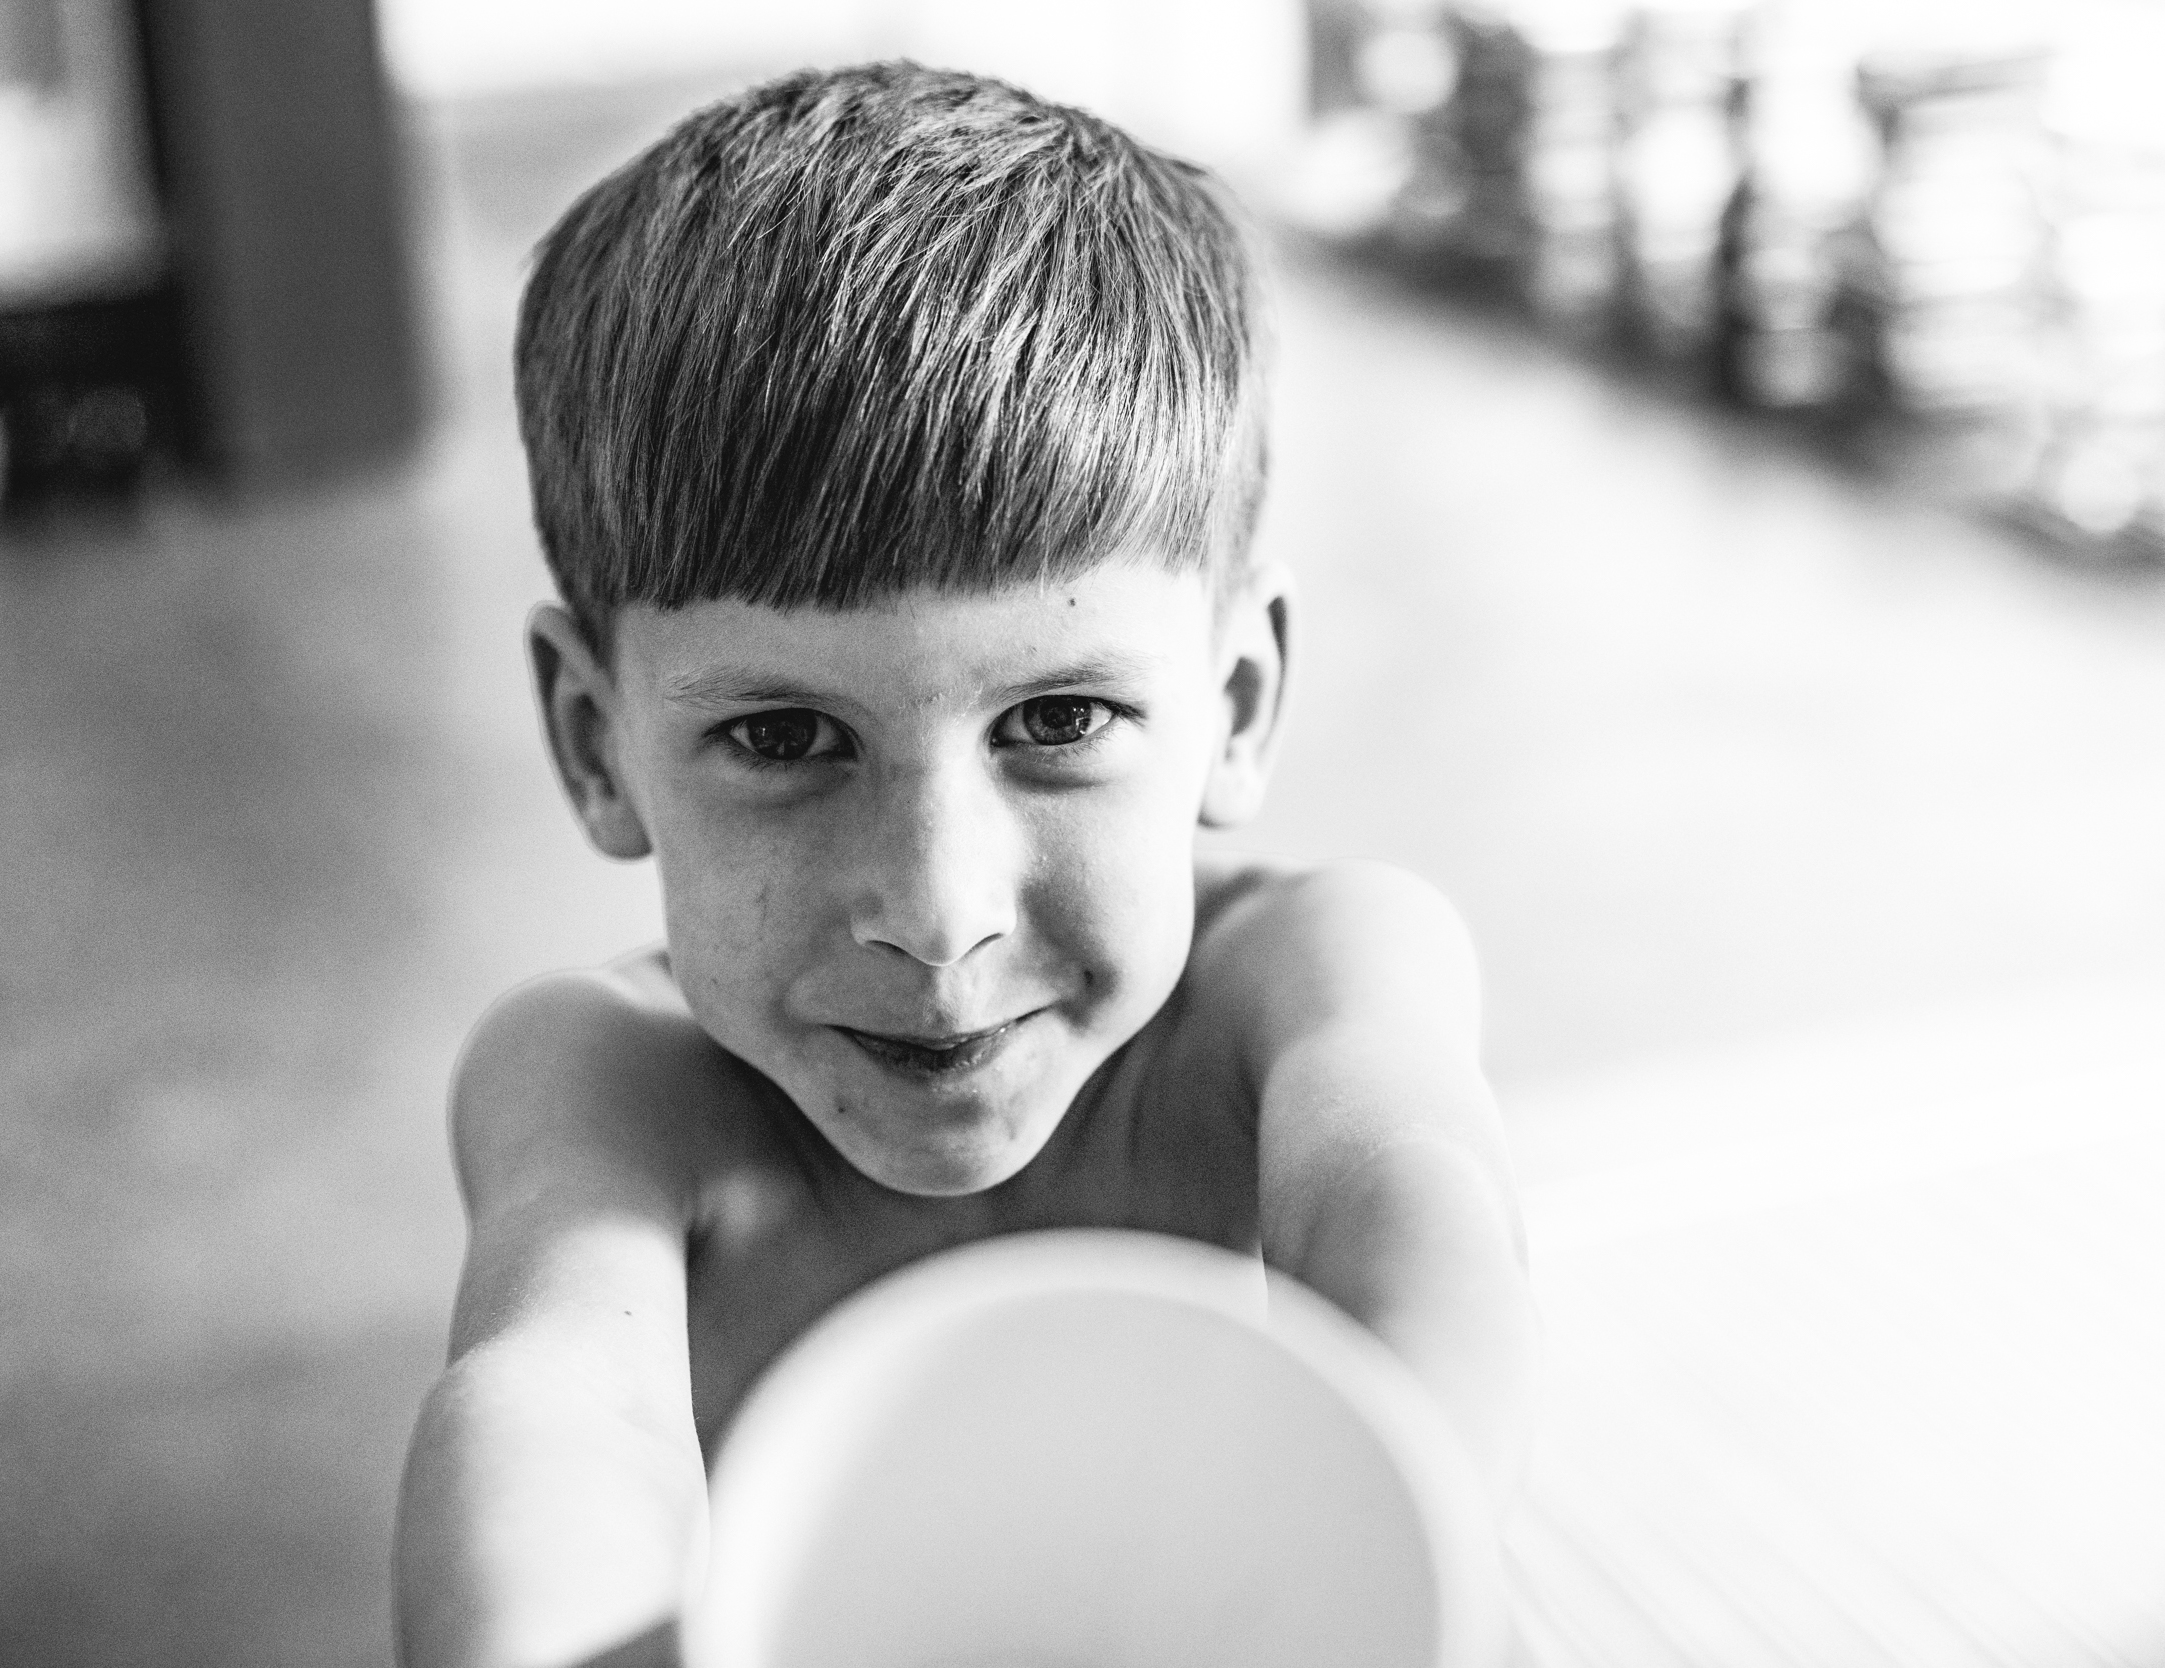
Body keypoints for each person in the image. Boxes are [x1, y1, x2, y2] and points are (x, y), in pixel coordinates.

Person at [395, 61, 1537, 1668]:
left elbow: (1412, 1212)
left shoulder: (1309, 974)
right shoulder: (603, 1079)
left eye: (1058, 720)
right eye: (786, 737)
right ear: (598, 743)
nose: (939, 915)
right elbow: (561, 1410)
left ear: (1234, 707)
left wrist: (1385, 1550)